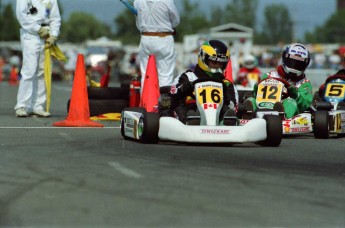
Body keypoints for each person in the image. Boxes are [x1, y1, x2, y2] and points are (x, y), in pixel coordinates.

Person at [169, 40, 238, 124]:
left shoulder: (226, 84)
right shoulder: (189, 77)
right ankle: (190, 122)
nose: (217, 66)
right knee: (180, 107)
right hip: (191, 113)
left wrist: (226, 100)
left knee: (227, 111)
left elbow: (234, 106)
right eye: (214, 62)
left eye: (220, 63)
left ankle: (225, 124)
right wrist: (184, 88)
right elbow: (172, 92)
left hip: (218, 117)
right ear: (203, 58)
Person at [15, 0, 61, 117]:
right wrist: (37, 29)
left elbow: (55, 18)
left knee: (42, 71)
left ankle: (37, 105)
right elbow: (21, 15)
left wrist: (54, 35)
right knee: (29, 70)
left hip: (47, 35)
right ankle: (22, 105)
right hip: (30, 35)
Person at [245, 43, 313, 119]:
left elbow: (305, 104)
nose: (294, 66)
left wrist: (295, 94)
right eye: (291, 62)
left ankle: (282, 117)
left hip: (286, 113)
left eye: (299, 64)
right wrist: (256, 87)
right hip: (262, 105)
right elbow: (256, 94)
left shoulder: (304, 83)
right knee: (251, 100)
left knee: (290, 103)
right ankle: (248, 116)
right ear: (285, 58)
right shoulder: (269, 75)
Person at [133, 0, 180, 93]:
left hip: (145, 38)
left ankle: (145, 104)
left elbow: (139, 24)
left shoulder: (137, 2)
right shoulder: (167, 1)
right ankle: (163, 104)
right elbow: (176, 21)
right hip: (164, 38)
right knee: (165, 75)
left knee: (145, 75)